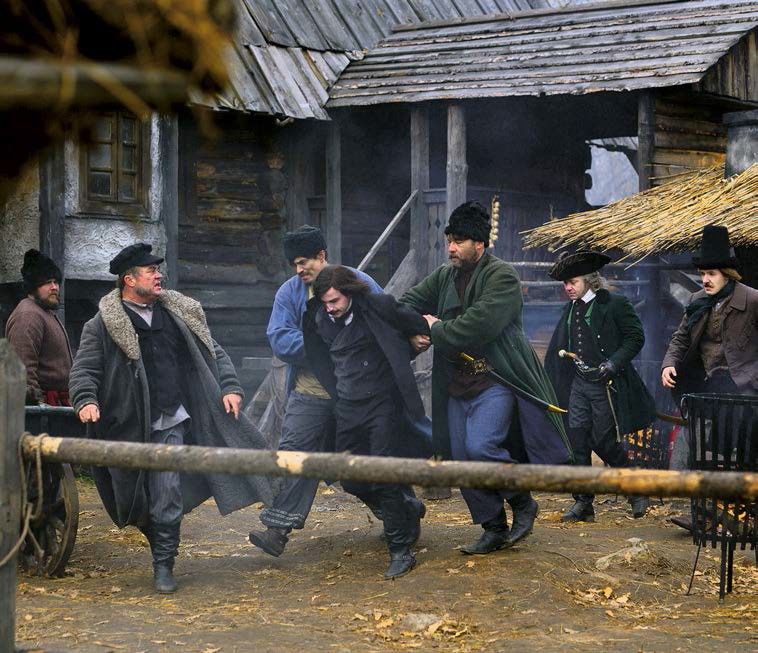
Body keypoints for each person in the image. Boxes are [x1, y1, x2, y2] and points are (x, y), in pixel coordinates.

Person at [69, 243, 272, 593]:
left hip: (172, 420)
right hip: (126, 427)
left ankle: (164, 563)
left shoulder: (179, 314)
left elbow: (213, 350)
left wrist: (230, 386)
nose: (158, 275)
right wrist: (85, 400)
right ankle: (157, 531)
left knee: (167, 490)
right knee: (135, 502)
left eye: (158, 270)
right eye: (150, 271)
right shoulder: (101, 325)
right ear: (130, 280)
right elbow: (84, 370)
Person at [400, 201, 572, 555]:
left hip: (496, 377)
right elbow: (407, 302)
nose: (451, 247)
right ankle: (493, 527)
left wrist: (436, 329)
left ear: (479, 243)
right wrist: (417, 328)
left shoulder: (502, 276)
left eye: (459, 241)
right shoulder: (444, 276)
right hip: (456, 382)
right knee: (462, 459)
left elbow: (479, 325)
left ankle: (521, 501)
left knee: (481, 447)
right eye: (449, 240)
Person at [248, 226, 382, 558]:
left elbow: (383, 323)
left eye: (303, 262)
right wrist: (325, 345)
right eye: (294, 264)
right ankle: (277, 530)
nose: (298, 270)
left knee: (358, 463)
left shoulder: (357, 282)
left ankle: (400, 512)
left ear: (322, 256)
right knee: (294, 452)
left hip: (355, 393)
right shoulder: (289, 293)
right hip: (310, 390)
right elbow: (280, 339)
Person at [303, 264, 429, 578]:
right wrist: (337, 391)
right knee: (349, 478)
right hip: (347, 405)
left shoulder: (377, 305)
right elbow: (318, 357)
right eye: (325, 302)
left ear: (349, 293)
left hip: (382, 403)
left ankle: (400, 551)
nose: (330, 308)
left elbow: (416, 325)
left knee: (383, 474)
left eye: (335, 301)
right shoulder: (317, 316)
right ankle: (406, 506)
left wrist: (413, 343)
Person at [544, 251, 656, 522]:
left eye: (573, 282)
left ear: (589, 280)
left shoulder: (615, 304)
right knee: (577, 440)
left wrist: (613, 363)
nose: (568, 288)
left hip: (607, 385)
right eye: (565, 283)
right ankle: (583, 503)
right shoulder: (570, 310)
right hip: (578, 385)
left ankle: (636, 488)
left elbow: (635, 337)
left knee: (603, 441)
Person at [661, 225, 758, 530]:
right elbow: (680, 338)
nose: (705, 279)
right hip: (706, 387)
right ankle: (702, 514)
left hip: (743, 391)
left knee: (743, 453)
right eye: (703, 273)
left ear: (728, 274)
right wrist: (669, 364)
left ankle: (746, 515)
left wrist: (752, 377)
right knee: (701, 450)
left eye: (712, 273)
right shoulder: (697, 300)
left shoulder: (752, 300)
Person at [5, 249, 72, 406]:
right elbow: (23, 374)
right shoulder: (28, 315)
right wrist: (39, 409)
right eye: (47, 282)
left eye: (56, 282)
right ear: (33, 286)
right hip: (44, 407)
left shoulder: (43, 312)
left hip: (58, 404)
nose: (54, 287)